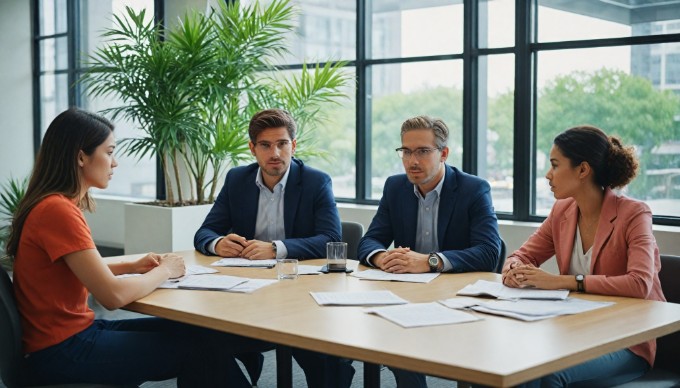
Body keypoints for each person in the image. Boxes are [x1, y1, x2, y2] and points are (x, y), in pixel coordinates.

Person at [7, 108, 253, 387]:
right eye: (109, 152)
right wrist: (165, 271)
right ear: (80, 156)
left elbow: (75, 270)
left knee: (196, 331)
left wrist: (133, 266)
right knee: (199, 349)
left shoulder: (53, 205)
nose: (115, 163)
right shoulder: (57, 211)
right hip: (63, 350)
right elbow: (112, 296)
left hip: (71, 336)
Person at [194, 108, 354, 387]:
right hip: (246, 293)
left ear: (293, 145)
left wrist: (276, 248)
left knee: (322, 358)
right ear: (252, 149)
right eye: (266, 145)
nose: (275, 153)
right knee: (202, 341)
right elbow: (204, 233)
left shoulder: (316, 181)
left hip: (302, 295)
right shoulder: (237, 180)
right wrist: (218, 242)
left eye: (282, 144)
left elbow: (331, 238)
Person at [502, 125, 665, 387]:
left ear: (582, 170)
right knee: (509, 368)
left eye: (555, 165)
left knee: (546, 375)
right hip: (574, 333)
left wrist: (562, 281)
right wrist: (514, 270)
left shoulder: (634, 214)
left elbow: (639, 283)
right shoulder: (562, 211)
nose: (547, 174)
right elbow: (521, 255)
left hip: (626, 341)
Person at [357, 115, 501, 387]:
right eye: (406, 151)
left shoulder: (473, 189)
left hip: (456, 299)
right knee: (395, 344)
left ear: (443, 153)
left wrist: (430, 261)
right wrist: (381, 257)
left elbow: (489, 252)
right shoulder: (395, 187)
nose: (412, 161)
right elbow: (369, 241)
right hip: (408, 298)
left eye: (423, 151)